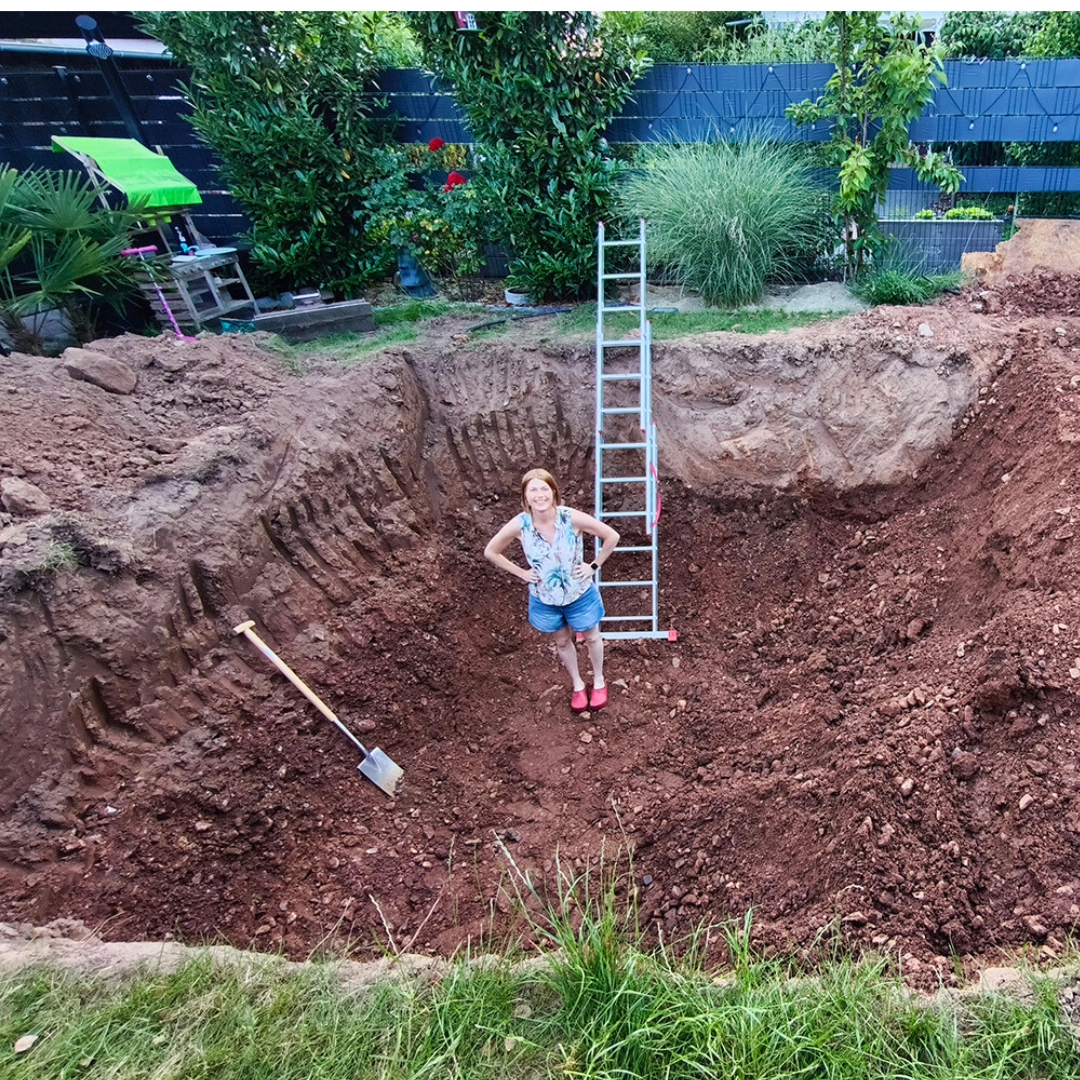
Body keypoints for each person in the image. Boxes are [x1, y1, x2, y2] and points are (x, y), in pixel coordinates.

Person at [485, 468, 620, 712]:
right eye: (533, 490)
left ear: (553, 492)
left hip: (579, 594)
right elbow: (491, 551)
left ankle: (599, 680)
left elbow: (611, 536)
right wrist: (521, 573)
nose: (540, 495)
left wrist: (593, 566)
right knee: (562, 642)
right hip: (545, 598)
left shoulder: (570, 518)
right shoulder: (520, 525)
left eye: (544, 488)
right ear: (525, 496)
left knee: (591, 637)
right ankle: (578, 685)